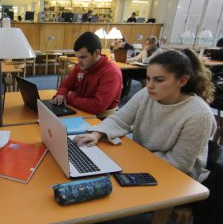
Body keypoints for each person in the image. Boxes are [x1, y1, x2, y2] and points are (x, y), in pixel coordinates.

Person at [74, 49, 216, 182]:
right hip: (143, 160)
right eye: (148, 78)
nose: (150, 85)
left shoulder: (200, 115)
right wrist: (97, 134)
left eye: (159, 80)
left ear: (182, 81)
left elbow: (179, 164)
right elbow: (121, 119)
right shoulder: (147, 94)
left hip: (176, 177)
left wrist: (133, 159)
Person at [53, 31, 123, 115]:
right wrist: (61, 94)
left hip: (100, 119)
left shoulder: (111, 73)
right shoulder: (82, 66)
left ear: (96, 53)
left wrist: (69, 97)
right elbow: (65, 85)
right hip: (80, 110)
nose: (79, 61)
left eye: (83, 57)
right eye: (77, 57)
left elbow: (97, 106)